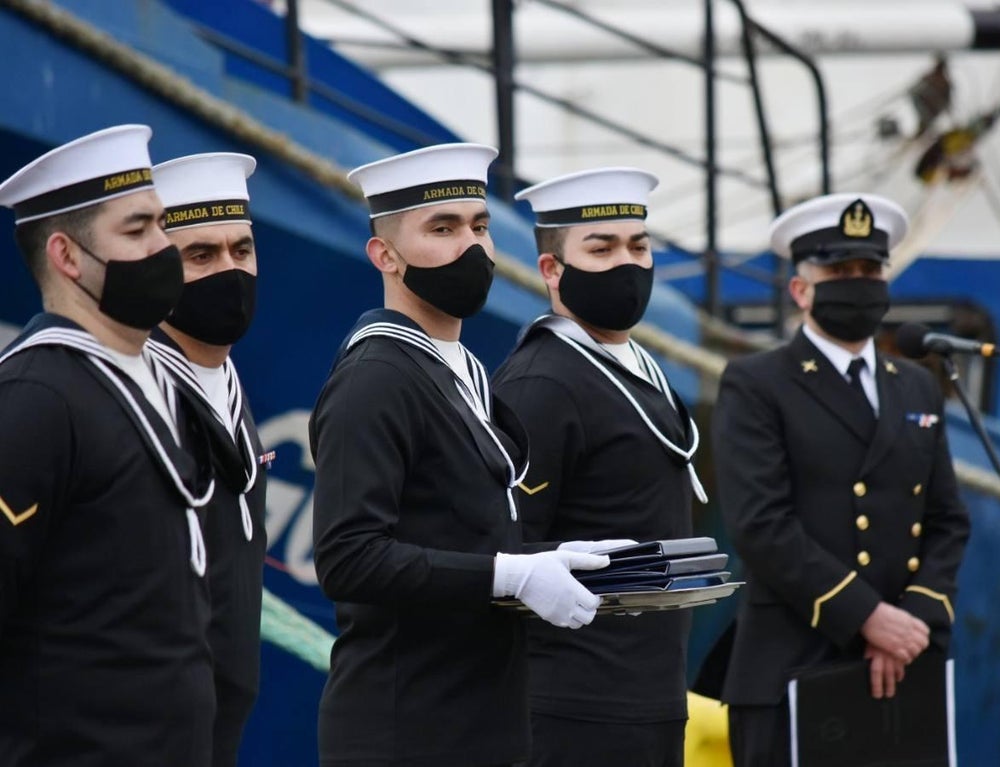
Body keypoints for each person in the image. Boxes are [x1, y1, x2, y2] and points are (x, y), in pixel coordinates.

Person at [310, 143, 610, 767]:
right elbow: (349, 557)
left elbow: (455, 532)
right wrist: (512, 575)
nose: (470, 248)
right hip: (407, 729)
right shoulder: (376, 376)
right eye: (442, 229)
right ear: (384, 254)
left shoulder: (459, 371)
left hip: (482, 718)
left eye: (479, 227)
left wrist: (547, 560)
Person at [712, 193, 970, 766]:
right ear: (801, 290)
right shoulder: (758, 384)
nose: (858, 282)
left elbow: (947, 520)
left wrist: (912, 625)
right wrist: (868, 619)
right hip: (796, 668)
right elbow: (761, 525)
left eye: (870, 270)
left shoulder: (916, 386)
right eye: (839, 271)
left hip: (906, 667)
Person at [0, 125, 216, 766]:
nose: (164, 246)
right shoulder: (36, 398)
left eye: (161, 225)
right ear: (67, 257)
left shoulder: (152, 381)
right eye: (138, 230)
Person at [494, 167, 707, 767]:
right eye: (602, 247)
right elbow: (507, 546)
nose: (628, 263)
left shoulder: (634, 366)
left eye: (639, 246)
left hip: (647, 695)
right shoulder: (543, 382)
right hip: (573, 707)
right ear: (551, 270)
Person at [148, 152, 269, 767]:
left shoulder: (225, 378)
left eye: (241, 251)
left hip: (220, 719)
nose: (230, 272)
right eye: (200, 256)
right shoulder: (143, 391)